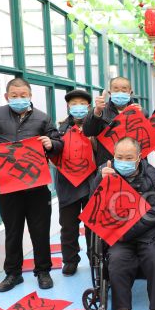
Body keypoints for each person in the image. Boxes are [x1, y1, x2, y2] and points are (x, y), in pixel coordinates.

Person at [0, 77, 62, 292]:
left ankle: (43, 271)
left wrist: (51, 143)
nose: (19, 98)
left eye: (23, 95)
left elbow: (58, 144)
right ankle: (13, 274)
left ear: (30, 96)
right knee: (13, 232)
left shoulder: (43, 118)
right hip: (8, 187)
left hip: (37, 187)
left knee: (40, 231)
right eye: (14, 95)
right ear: (7, 96)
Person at [95, 137, 155, 310]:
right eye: (119, 157)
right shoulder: (106, 170)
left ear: (139, 157)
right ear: (113, 156)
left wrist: (129, 229)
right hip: (118, 234)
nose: (123, 161)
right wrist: (99, 180)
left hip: (147, 232)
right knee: (117, 259)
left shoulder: (151, 176)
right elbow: (94, 203)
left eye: (129, 158)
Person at [54, 89, 95, 276]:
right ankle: (70, 260)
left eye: (82, 104)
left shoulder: (96, 127)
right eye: (73, 104)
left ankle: (95, 258)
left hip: (91, 182)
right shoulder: (59, 129)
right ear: (68, 107)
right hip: (67, 184)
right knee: (68, 226)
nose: (78, 107)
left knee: (92, 225)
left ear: (88, 106)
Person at [82, 76, 145, 167]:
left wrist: (141, 116)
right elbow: (88, 132)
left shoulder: (140, 111)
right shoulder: (101, 111)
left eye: (124, 90)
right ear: (110, 93)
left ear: (130, 93)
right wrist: (97, 112)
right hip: (108, 163)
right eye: (116, 90)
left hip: (135, 164)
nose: (120, 93)